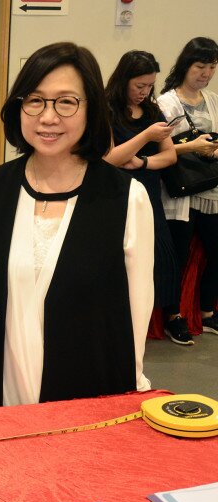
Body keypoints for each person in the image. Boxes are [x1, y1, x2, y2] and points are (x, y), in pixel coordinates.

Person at [0, 42, 154, 409]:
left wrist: (133, 382)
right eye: (34, 100)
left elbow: (136, 308)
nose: (48, 117)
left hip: (85, 392)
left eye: (66, 102)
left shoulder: (125, 197)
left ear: (91, 109)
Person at [104, 51, 188, 344]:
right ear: (124, 80)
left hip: (148, 191)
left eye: (150, 86)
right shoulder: (107, 109)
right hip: (115, 194)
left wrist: (142, 162)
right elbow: (110, 158)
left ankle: (171, 316)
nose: (145, 92)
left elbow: (169, 156)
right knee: (118, 258)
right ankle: (117, 321)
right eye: (139, 85)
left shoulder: (152, 112)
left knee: (164, 257)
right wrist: (145, 138)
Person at [157, 37, 218, 337]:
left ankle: (207, 310)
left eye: (211, 67)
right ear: (186, 65)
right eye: (200, 66)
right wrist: (192, 146)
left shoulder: (213, 99)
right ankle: (173, 316)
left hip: (210, 188)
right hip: (179, 191)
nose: (206, 73)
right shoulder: (166, 102)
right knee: (177, 257)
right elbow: (159, 148)